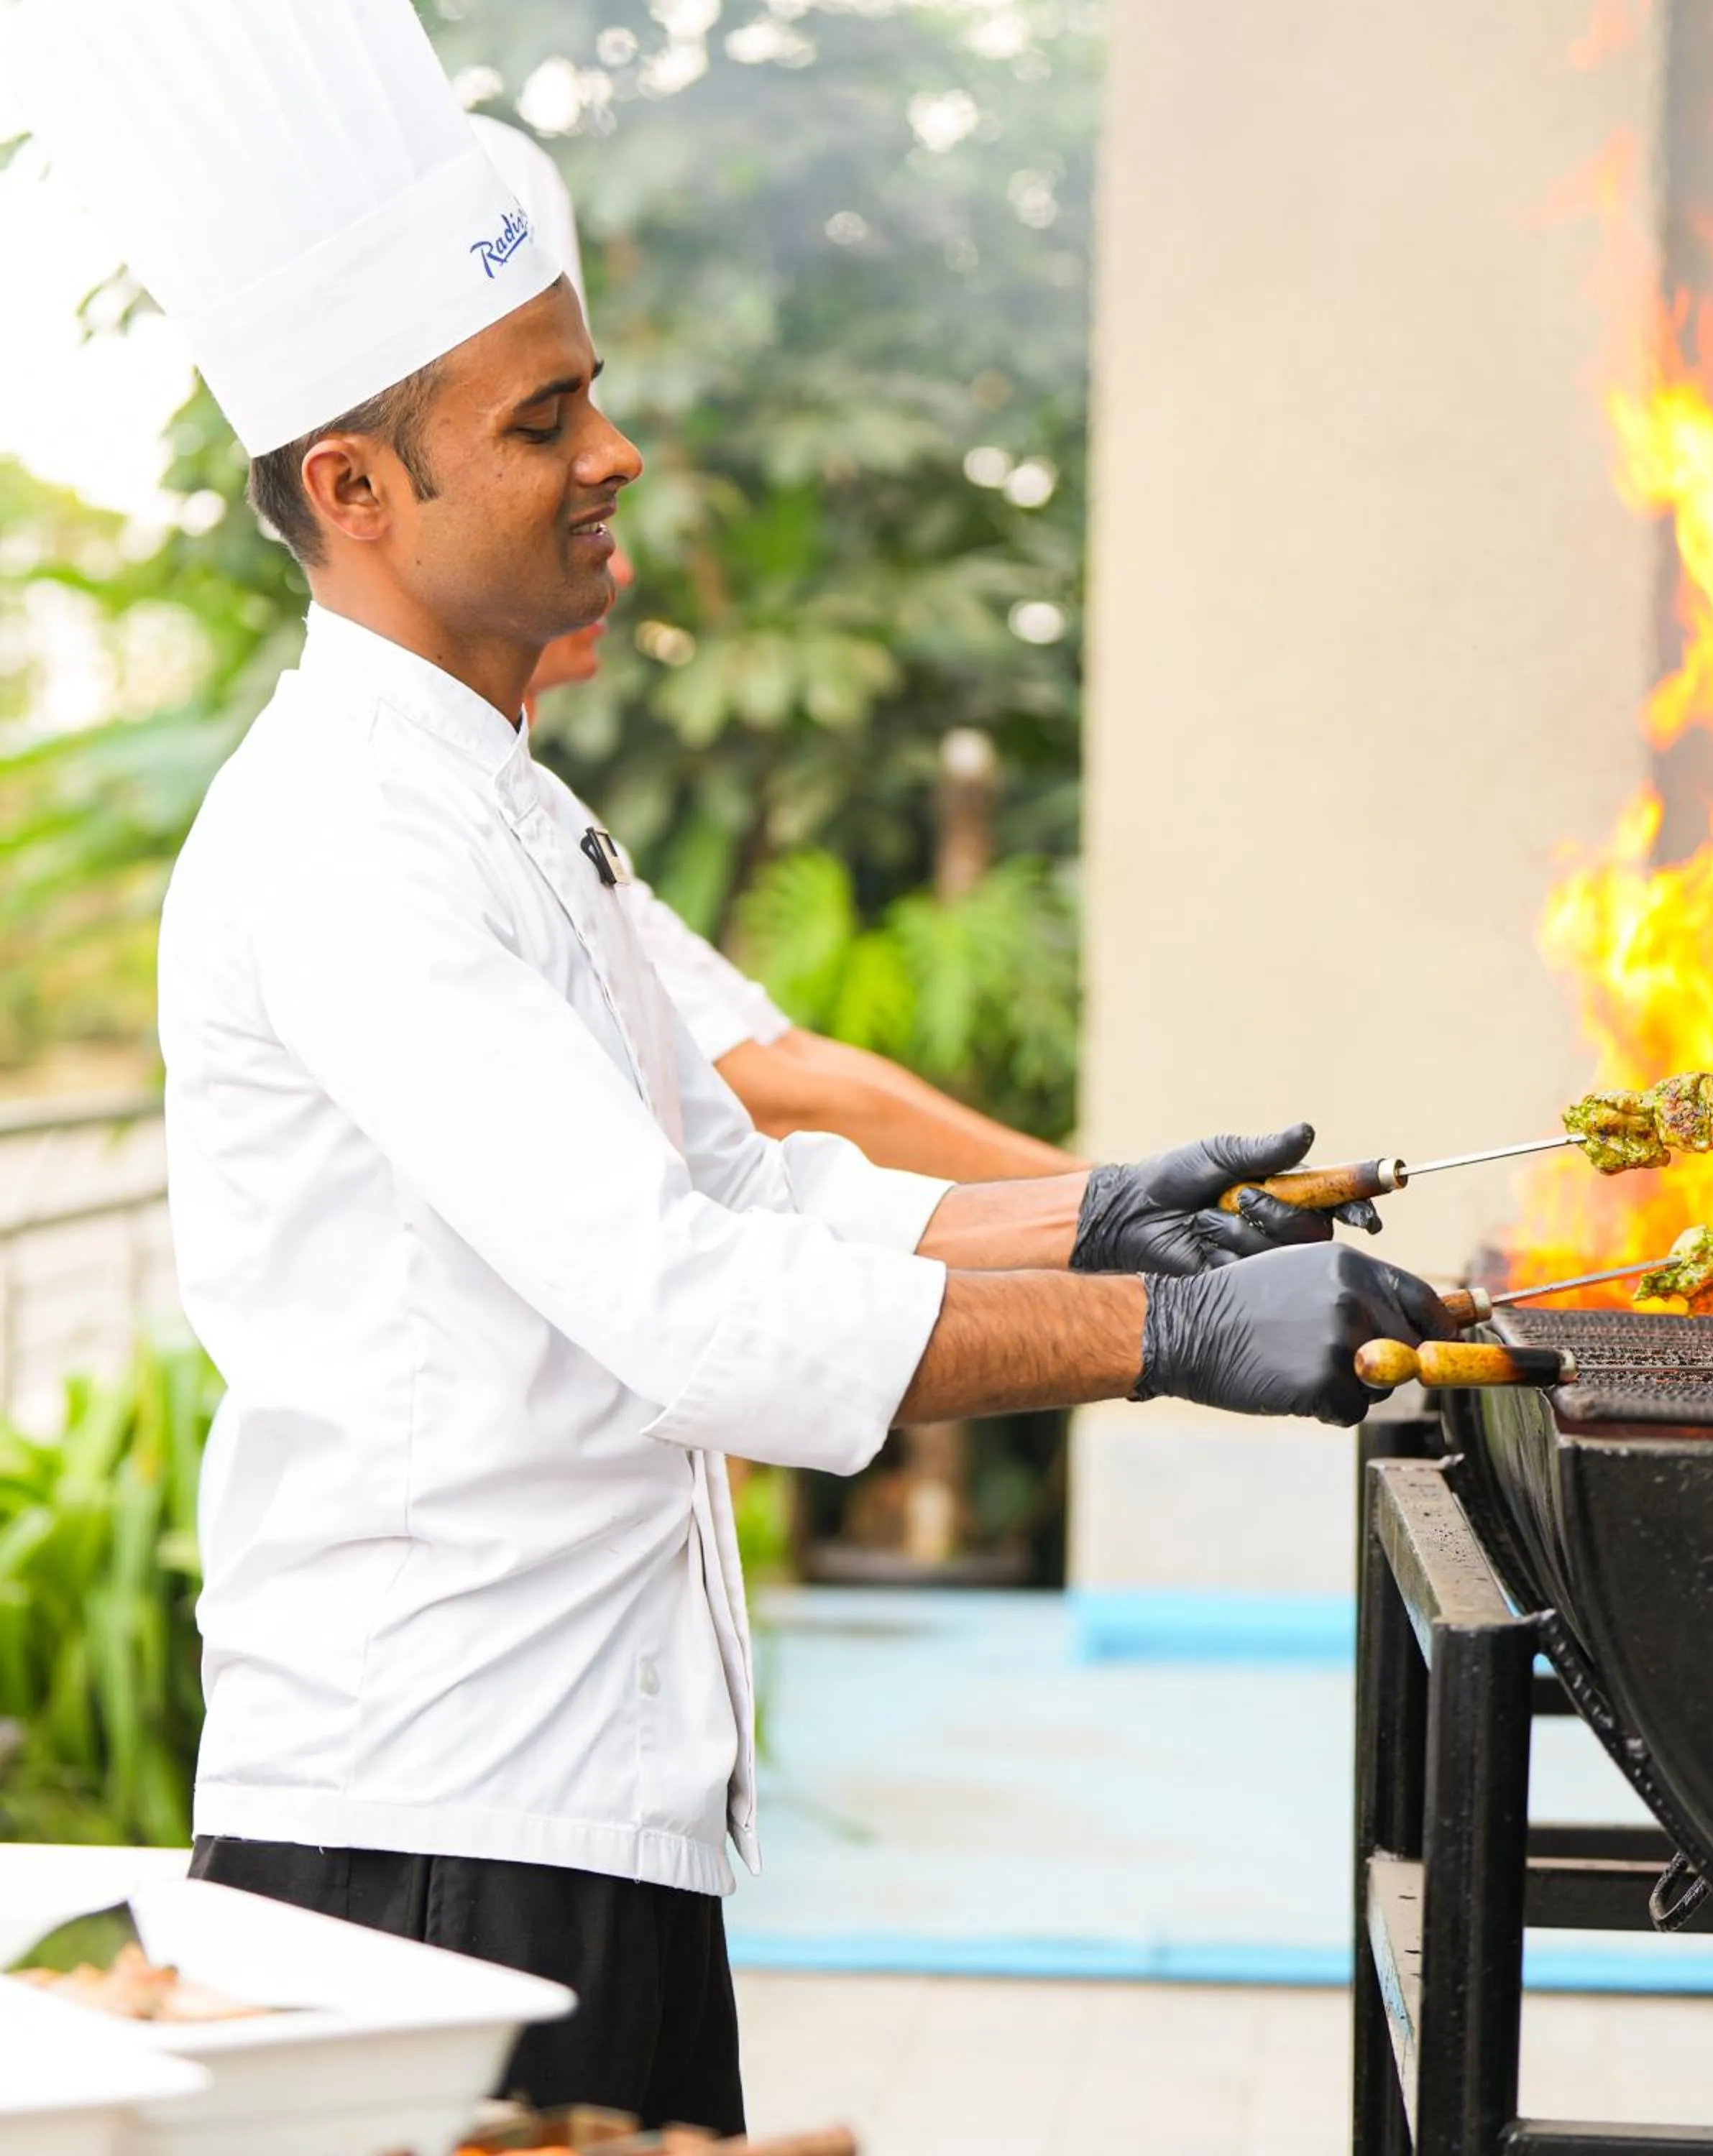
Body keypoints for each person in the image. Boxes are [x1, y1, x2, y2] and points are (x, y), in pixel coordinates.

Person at [9, 1, 1444, 2132]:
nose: (615, 454)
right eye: (543, 417)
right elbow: (700, 1322)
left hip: (575, 1807)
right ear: (352, 487)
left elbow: (750, 1193)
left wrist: (1098, 1205)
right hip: (437, 1830)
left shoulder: (498, 810)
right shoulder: (345, 843)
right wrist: (1169, 1332)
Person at [478, 114, 1095, 1187]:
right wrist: (1121, 1224)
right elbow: (771, 1102)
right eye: (539, 432)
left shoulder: (538, 807)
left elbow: (775, 1077)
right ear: (358, 498)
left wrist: (1121, 1207)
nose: (620, 562)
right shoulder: (373, 826)